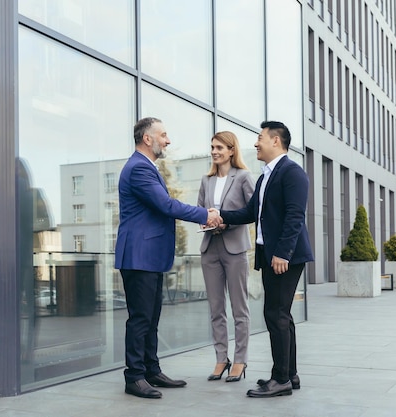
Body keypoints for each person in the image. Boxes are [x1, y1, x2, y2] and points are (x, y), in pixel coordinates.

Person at [115, 117, 223, 399]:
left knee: (150, 319)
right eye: (163, 135)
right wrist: (205, 214)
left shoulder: (146, 167)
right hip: (138, 256)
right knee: (140, 319)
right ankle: (134, 376)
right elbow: (165, 205)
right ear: (147, 139)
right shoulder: (138, 168)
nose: (168, 140)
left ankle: (151, 370)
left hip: (148, 256)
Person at [219, 121, 314, 398]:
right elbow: (250, 213)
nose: (256, 143)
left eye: (259, 138)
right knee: (282, 315)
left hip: (285, 256)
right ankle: (289, 375)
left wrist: (282, 253)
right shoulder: (265, 176)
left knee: (275, 314)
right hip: (271, 255)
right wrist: (219, 215)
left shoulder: (292, 172)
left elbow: (295, 216)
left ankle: (280, 379)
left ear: (275, 141)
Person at [197, 131, 255, 383]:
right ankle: (221, 358)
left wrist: (225, 223)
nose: (214, 151)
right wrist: (205, 221)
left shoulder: (243, 177)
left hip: (235, 249)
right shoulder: (206, 179)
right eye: (212, 147)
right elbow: (200, 211)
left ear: (232, 150)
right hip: (210, 248)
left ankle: (240, 360)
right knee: (215, 309)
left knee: (239, 309)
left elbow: (252, 212)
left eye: (219, 147)